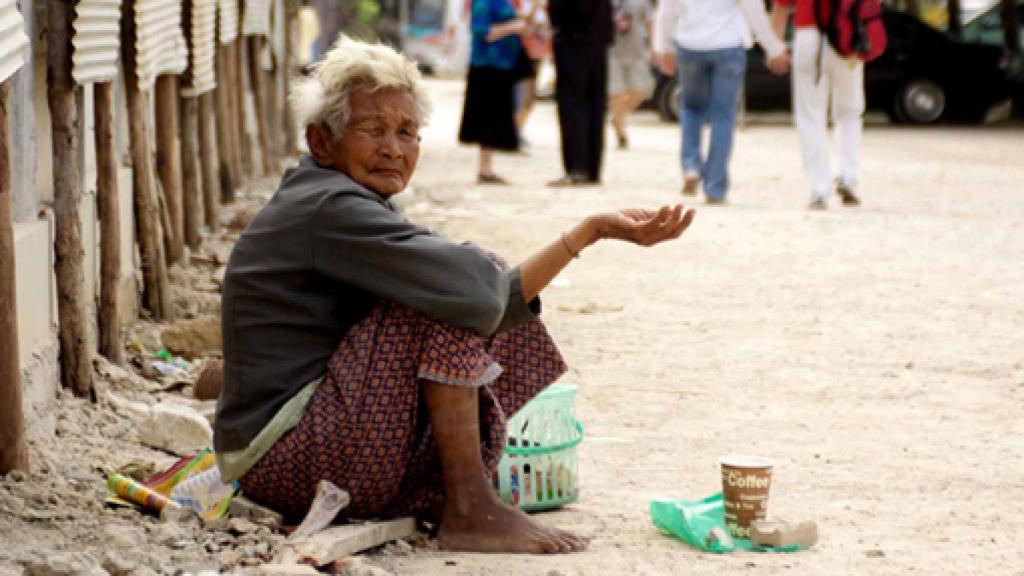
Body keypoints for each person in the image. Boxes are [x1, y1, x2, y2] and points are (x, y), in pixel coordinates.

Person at [214, 37, 696, 554]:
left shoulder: (339, 197)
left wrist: (591, 231)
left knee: (460, 283)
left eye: (406, 133)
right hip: (283, 458)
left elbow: (495, 298)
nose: (393, 148)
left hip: (297, 450)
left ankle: (462, 497)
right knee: (448, 292)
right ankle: (469, 506)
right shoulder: (330, 207)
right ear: (322, 142)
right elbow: (473, 291)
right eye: (373, 130)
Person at [654, 0, 789, 204]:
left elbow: (667, 9)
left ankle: (691, 166)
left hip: (690, 44)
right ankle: (715, 187)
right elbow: (753, 10)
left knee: (691, 108)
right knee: (723, 115)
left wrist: (663, 47)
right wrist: (773, 47)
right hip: (728, 44)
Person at [772, 0, 863, 210]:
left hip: (809, 34)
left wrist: (775, 46)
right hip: (847, 34)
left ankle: (819, 188)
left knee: (810, 115)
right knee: (849, 112)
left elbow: (781, 7)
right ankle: (849, 178)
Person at [458, 0, 526, 184]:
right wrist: (513, 27)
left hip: (503, 65)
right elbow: (483, 33)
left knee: (495, 118)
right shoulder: (483, 3)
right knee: (487, 118)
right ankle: (484, 168)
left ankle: (487, 166)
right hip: (487, 66)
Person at [547, 0, 614, 186]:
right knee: (595, 105)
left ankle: (577, 167)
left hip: (572, 40)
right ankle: (592, 168)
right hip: (597, 43)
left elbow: (559, 11)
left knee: (572, 105)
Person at [608, 0, 655, 150]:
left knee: (640, 92)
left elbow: (649, 23)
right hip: (613, 53)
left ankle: (617, 117)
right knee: (617, 94)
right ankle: (621, 134)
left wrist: (653, 48)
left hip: (637, 53)